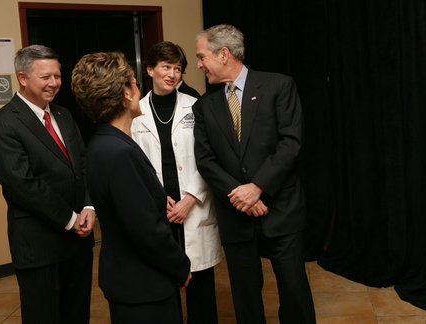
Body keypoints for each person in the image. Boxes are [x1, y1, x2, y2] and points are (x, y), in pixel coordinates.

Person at [193, 24, 317, 323]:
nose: (197, 65)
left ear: (224, 54)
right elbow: (206, 160)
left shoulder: (278, 86)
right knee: (245, 295)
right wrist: (241, 194)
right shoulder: (205, 106)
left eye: (201, 56)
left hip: (281, 209)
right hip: (236, 213)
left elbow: (291, 143)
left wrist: (258, 187)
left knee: (294, 289)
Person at [71, 51, 191, 324]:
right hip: (142, 286)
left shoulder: (106, 142)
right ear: (126, 94)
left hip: (133, 281)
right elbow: (146, 230)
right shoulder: (117, 152)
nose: (139, 88)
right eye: (134, 83)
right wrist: (180, 267)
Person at [0, 45, 95, 324]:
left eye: (57, 76)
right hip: (39, 245)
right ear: (22, 78)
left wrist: (88, 205)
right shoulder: (1, 124)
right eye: (46, 77)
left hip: (78, 243)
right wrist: (71, 219)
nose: (55, 83)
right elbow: (22, 184)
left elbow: (82, 166)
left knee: (77, 313)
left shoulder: (63, 115)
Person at [131, 41, 221, 324]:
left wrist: (189, 199)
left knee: (201, 285)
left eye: (178, 68)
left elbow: (208, 159)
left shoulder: (197, 106)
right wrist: (159, 199)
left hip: (192, 205)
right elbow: (135, 164)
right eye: (165, 67)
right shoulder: (135, 112)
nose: (172, 74)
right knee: (163, 282)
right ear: (150, 70)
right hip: (159, 206)